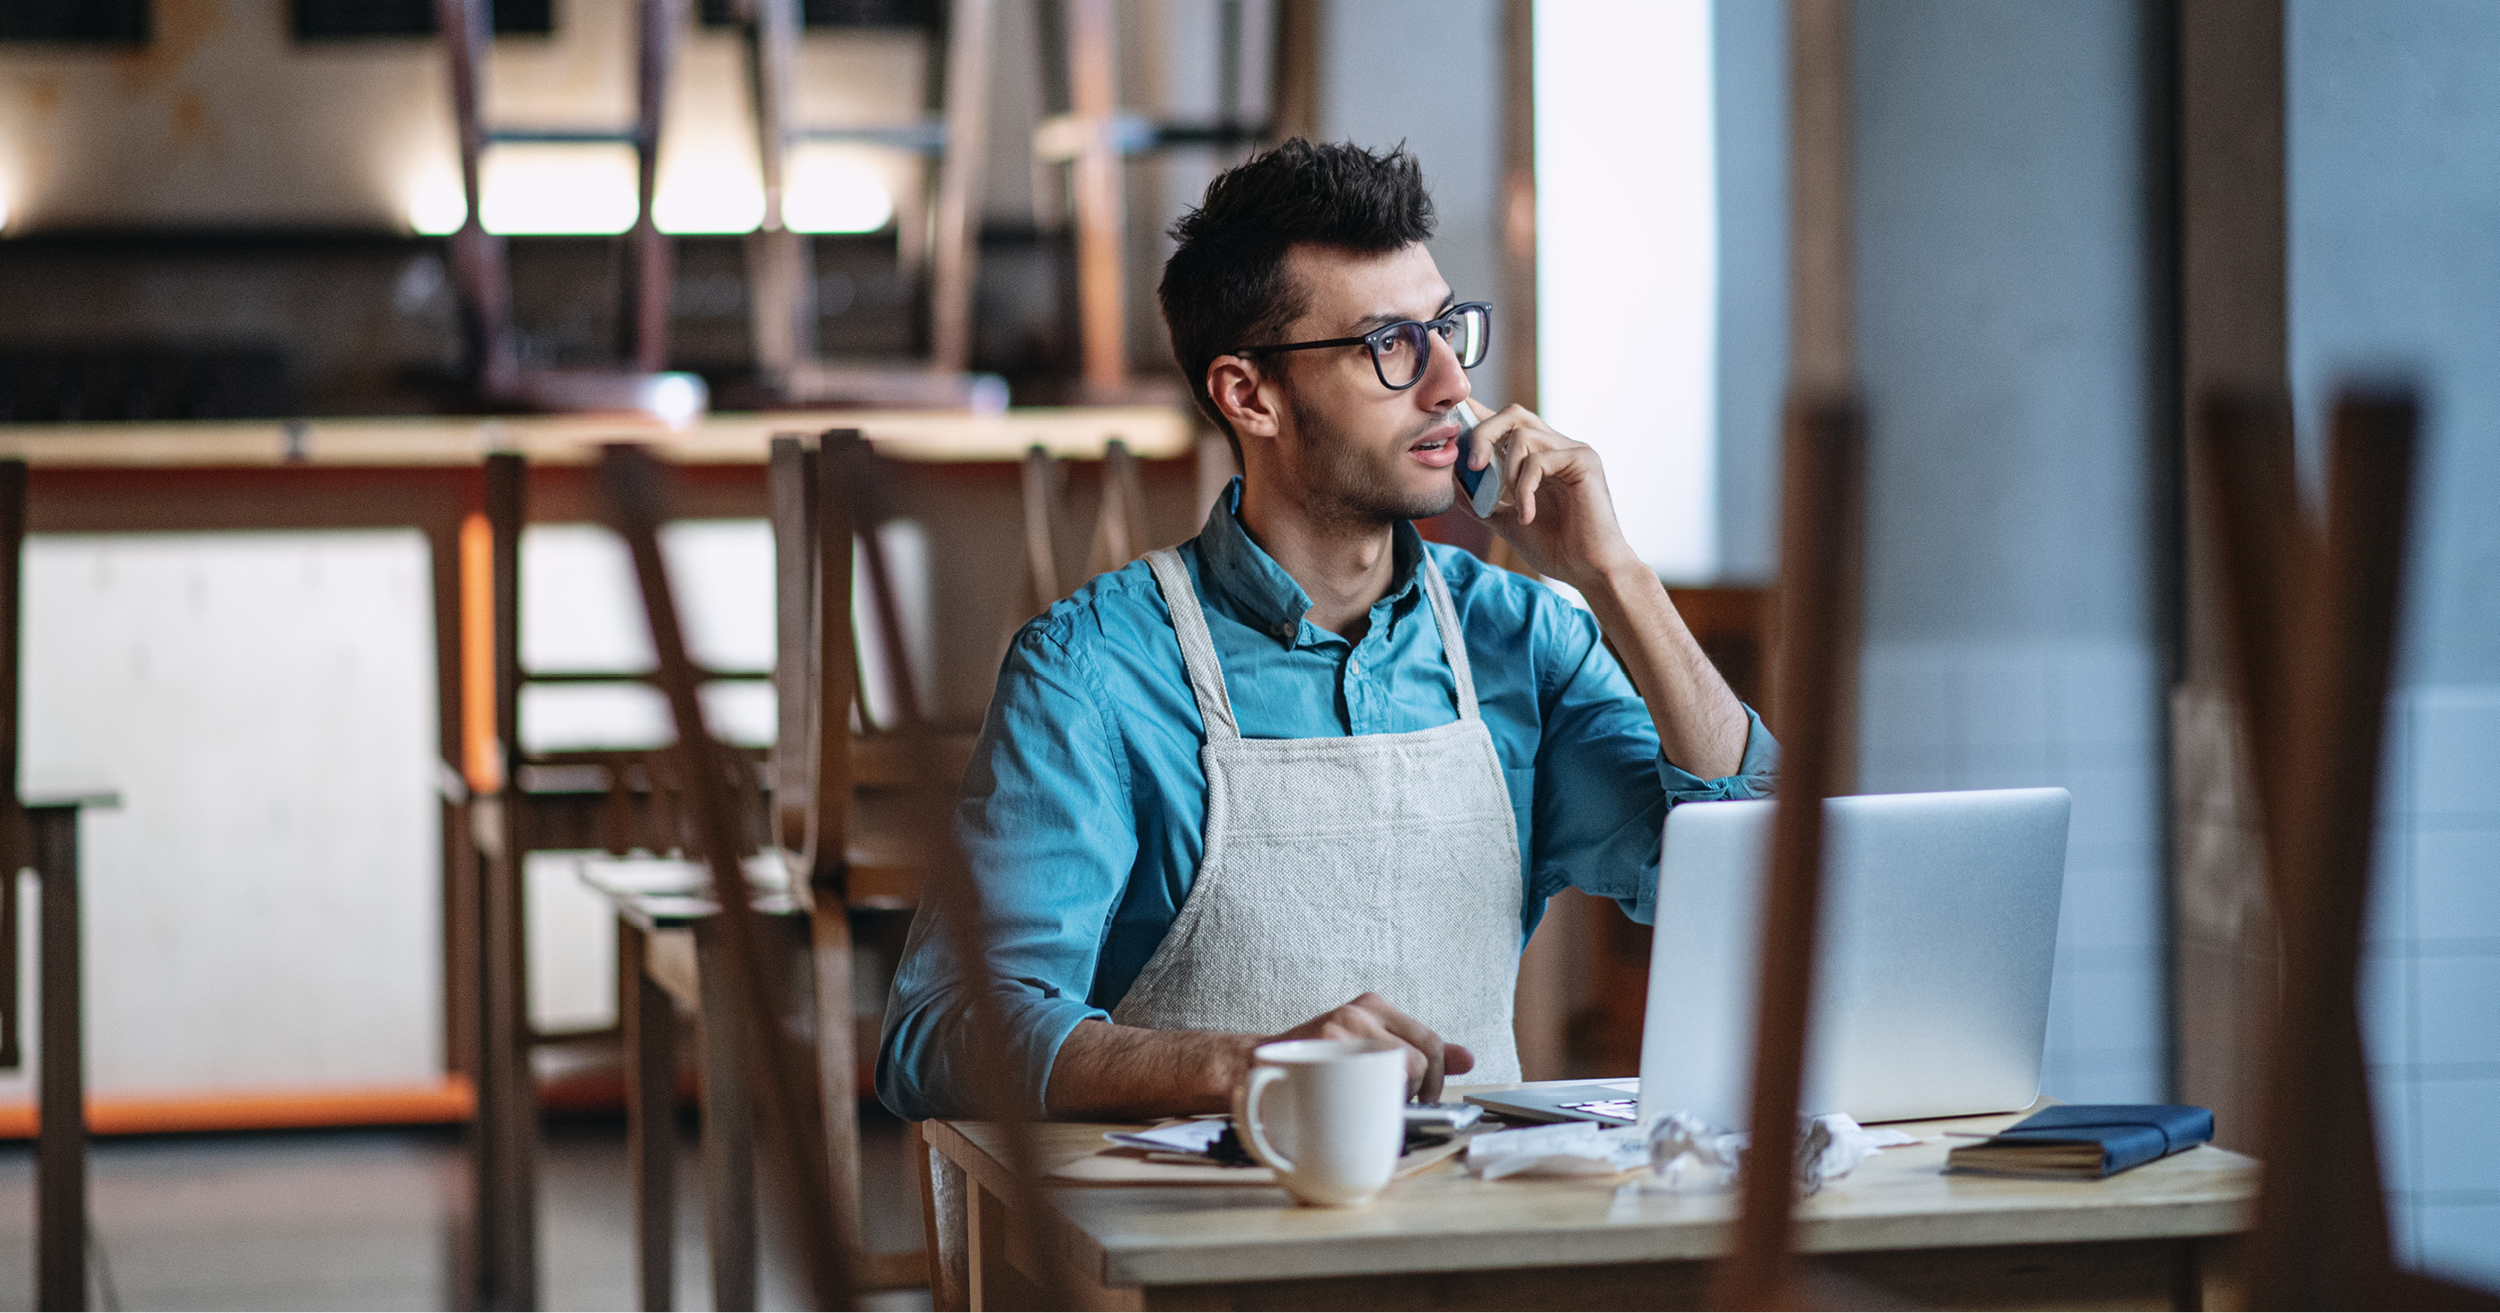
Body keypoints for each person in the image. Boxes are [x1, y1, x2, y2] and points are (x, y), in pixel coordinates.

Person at [877, 139, 1776, 1122]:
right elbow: (938, 1030)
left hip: (1481, 1234)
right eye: (1390, 344)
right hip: (1196, 1251)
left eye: (1445, 329)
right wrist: (1243, 1064)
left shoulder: (1524, 638)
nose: (1449, 387)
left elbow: (1751, 886)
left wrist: (1619, 577)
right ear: (1248, 394)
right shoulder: (1092, 670)